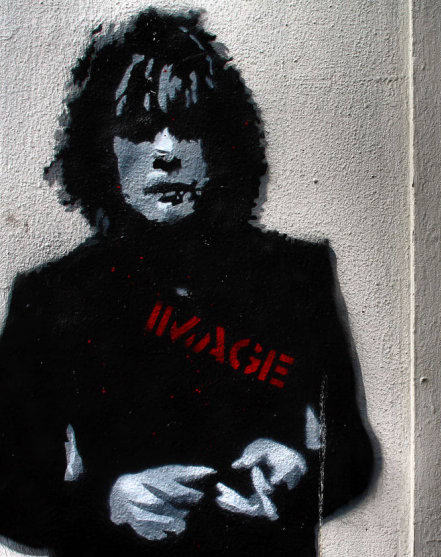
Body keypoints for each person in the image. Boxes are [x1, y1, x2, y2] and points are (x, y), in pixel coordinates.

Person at [0, 9, 374, 556]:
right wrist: (109, 503)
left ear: (222, 145)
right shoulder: (52, 298)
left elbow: (353, 457)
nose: (168, 151)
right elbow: (9, 491)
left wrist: (300, 471)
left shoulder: (296, 276)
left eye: (190, 128)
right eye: (139, 131)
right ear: (101, 149)